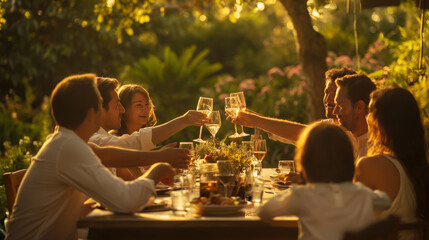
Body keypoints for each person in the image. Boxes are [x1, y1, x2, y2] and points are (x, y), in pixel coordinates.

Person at [5, 74, 176, 240]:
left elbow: (104, 154)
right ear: (91, 112)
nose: (122, 110)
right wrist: (157, 169)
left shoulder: (67, 142)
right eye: (106, 105)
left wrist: (158, 158)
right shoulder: (68, 147)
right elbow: (126, 200)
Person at [258, 122, 391, 240]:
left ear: (306, 163)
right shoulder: (362, 195)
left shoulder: (302, 196)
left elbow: (264, 212)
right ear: (349, 161)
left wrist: (298, 187)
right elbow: (385, 201)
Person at [89, 78, 207, 177]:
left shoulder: (102, 138)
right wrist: (160, 158)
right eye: (116, 105)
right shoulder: (93, 140)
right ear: (98, 108)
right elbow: (129, 146)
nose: (122, 110)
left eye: (147, 105)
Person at [354, 86, 429, 239]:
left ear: (379, 121)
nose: (366, 117)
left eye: (370, 112)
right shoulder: (420, 168)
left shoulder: (370, 167)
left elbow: (349, 220)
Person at [230, 67, 356, 145]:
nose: (328, 99)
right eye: (326, 93)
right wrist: (252, 117)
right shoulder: (330, 124)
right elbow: (287, 133)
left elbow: (300, 133)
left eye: (334, 94)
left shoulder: (352, 130)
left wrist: (257, 121)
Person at [333, 73, 376, 158]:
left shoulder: (375, 152)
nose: (335, 112)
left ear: (359, 107)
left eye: (340, 106)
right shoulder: (353, 143)